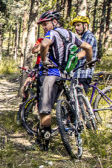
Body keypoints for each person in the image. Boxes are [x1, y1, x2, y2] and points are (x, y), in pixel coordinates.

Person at [36, 10, 94, 151]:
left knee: (45, 109)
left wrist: (44, 60)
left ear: (55, 22)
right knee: (63, 103)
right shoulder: (70, 34)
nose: (44, 27)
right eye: (42, 25)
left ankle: (45, 144)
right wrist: (89, 61)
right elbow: (88, 47)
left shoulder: (53, 33)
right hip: (64, 75)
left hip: (51, 74)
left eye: (46, 24)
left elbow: (44, 45)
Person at [69, 15, 97, 93]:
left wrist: (70, 61)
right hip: (78, 73)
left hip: (84, 73)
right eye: (75, 26)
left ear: (85, 25)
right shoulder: (82, 38)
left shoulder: (89, 36)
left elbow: (84, 52)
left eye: (78, 25)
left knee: (80, 101)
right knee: (74, 99)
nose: (76, 28)